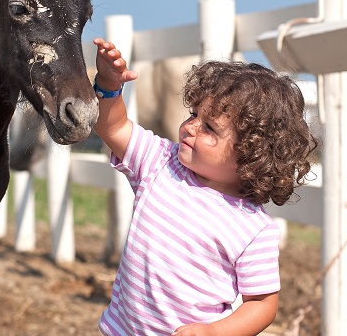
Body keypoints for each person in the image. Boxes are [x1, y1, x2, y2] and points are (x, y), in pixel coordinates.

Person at [92, 38, 317, 336]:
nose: (190, 126)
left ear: (251, 154)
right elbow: (114, 127)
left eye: (209, 127)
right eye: (193, 114)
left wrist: (214, 332)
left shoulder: (253, 230)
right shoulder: (160, 162)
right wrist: (108, 85)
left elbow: (262, 305)